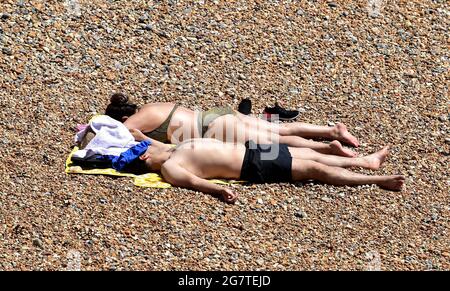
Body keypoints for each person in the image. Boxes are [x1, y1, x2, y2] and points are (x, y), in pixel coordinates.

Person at [136, 138, 405, 203]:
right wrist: (220, 190)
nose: (147, 149)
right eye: (144, 152)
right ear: (146, 158)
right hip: (251, 165)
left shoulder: (170, 149)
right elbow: (195, 182)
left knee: (310, 154)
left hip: (251, 150)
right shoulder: (170, 167)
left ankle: (366, 162)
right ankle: (379, 180)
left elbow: (143, 137)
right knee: (314, 168)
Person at [105, 93, 360, 157]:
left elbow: (121, 135)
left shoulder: (133, 122)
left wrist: (143, 137)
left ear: (123, 117)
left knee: (276, 141)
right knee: (279, 129)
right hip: (216, 115)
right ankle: (331, 131)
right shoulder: (152, 106)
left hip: (212, 129)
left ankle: (328, 149)